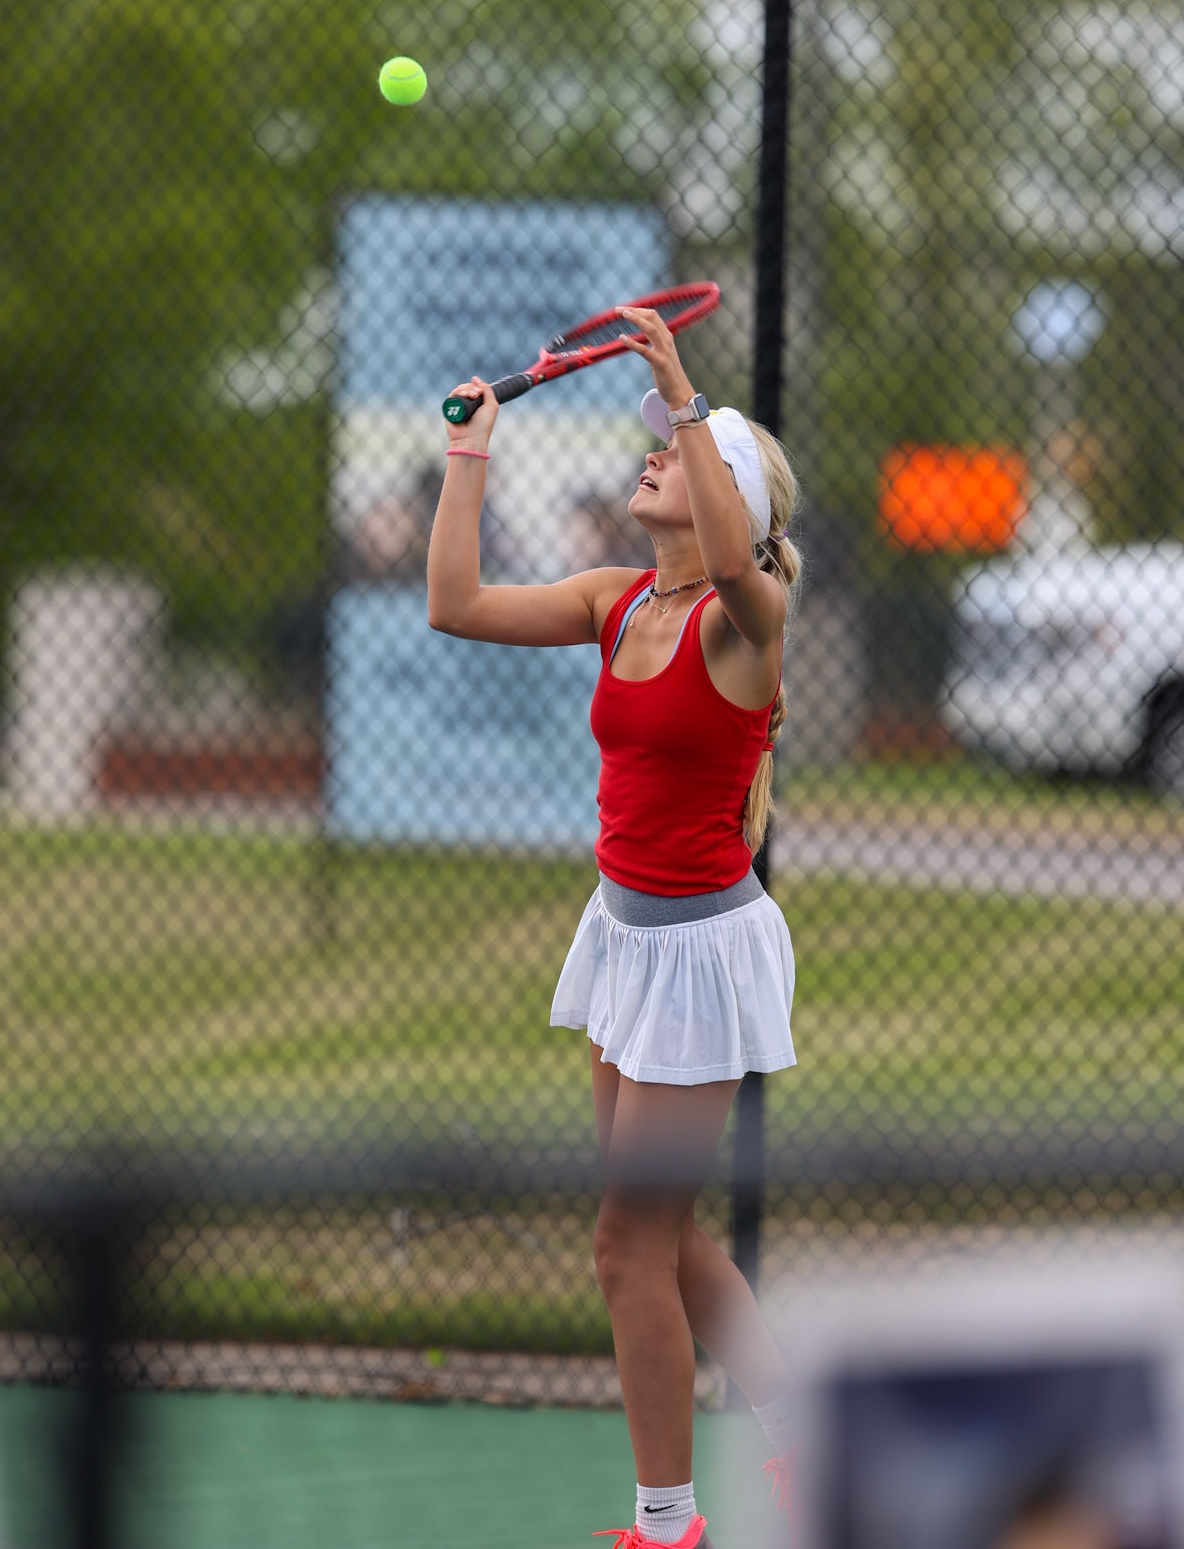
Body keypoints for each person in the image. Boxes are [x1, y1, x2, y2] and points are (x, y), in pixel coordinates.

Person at [427, 306, 802, 1549]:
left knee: (623, 1244)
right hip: (625, 937)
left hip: (702, 955)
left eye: (679, 452)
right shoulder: (614, 599)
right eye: (653, 439)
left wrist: (685, 389)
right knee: (663, 1233)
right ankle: (799, 1421)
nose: (649, 453)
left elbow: (744, 565)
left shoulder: (741, 628)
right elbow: (456, 602)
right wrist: (470, 456)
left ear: (725, 501)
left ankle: (669, 1523)